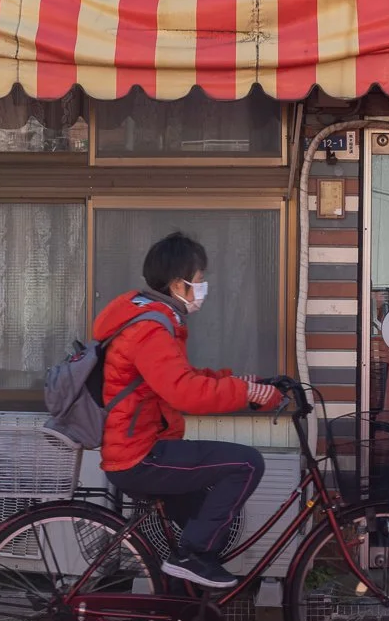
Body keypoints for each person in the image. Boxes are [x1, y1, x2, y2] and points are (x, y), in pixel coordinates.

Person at [93, 231, 283, 591]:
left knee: (203, 519)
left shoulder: (154, 320)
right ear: (178, 284)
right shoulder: (150, 328)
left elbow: (179, 378)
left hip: (143, 448)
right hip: (140, 456)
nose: (202, 289)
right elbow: (186, 393)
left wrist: (241, 381)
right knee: (246, 464)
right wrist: (247, 393)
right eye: (199, 281)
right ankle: (193, 556)